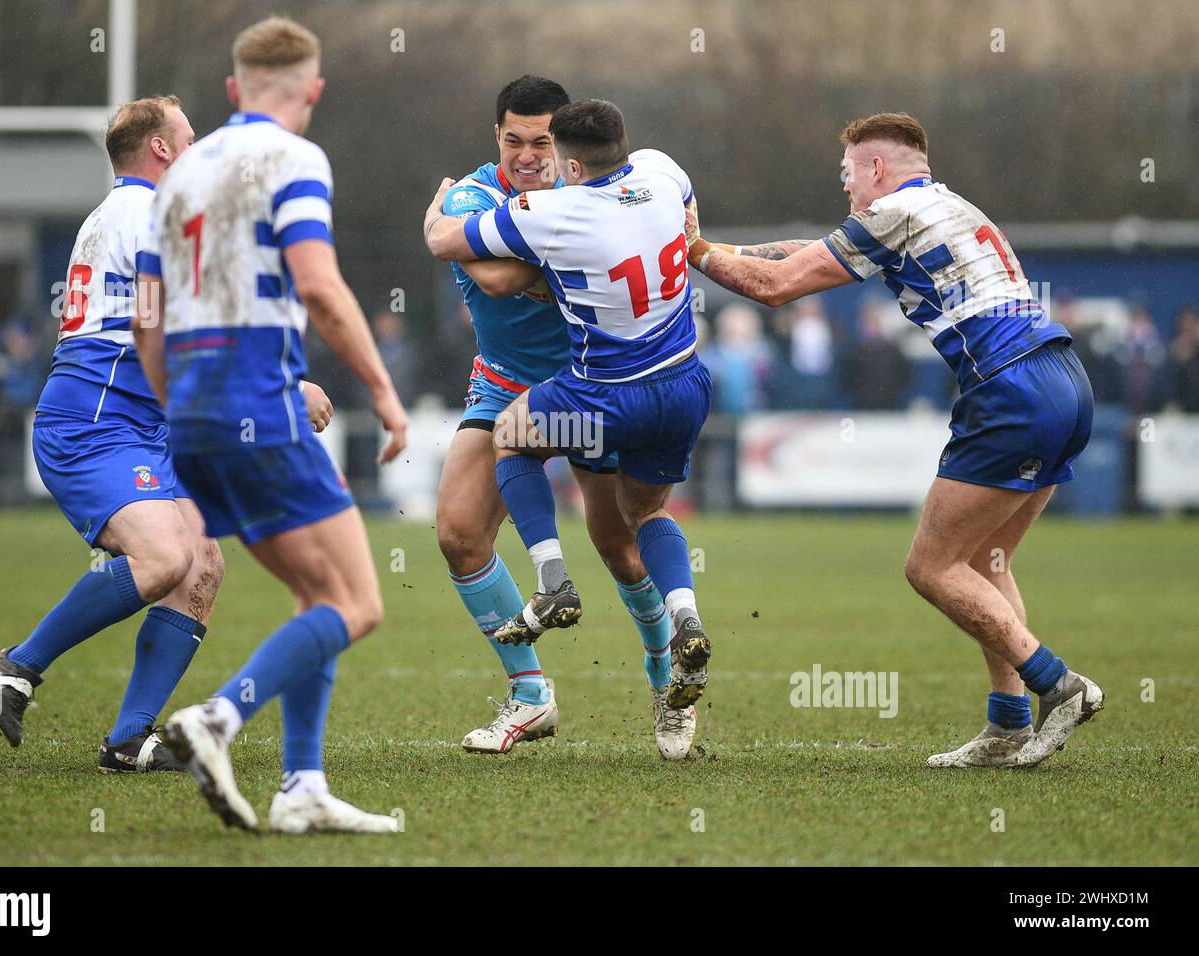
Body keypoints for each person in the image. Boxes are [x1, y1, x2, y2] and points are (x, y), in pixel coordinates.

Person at [687, 111, 1103, 768]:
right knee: (988, 562)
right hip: (1063, 379)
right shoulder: (945, 206)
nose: (846, 190)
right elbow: (799, 253)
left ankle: (1058, 684)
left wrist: (694, 252)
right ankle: (1008, 725)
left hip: (1009, 390)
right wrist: (717, 247)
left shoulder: (891, 214)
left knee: (930, 567)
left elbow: (774, 287)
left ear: (876, 168)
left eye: (848, 175)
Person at [135, 17, 408, 833]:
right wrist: (384, 392)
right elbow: (319, 287)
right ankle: (215, 720)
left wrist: (175, 405)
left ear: (231, 91)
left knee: (312, 594)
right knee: (358, 604)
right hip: (259, 401)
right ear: (312, 92)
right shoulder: (296, 158)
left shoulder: (179, 177)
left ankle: (302, 786)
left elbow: (148, 317)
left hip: (192, 414)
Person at [425, 99, 714, 728]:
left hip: (591, 384)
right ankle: (531, 695)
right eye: (513, 141)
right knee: (457, 534)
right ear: (495, 137)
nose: (528, 157)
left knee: (619, 544)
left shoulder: (558, 202)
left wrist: (433, 223)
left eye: (540, 143)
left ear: (565, 151)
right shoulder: (480, 194)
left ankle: (667, 687)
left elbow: (495, 271)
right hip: (512, 382)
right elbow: (501, 280)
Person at [0, 96, 247, 772]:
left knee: (201, 567)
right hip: (97, 422)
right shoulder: (146, 213)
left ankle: (129, 740)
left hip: (138, 422)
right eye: (189, 138)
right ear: (160, 149)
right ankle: (20, 665)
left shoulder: (128, 215)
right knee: (164, 558)